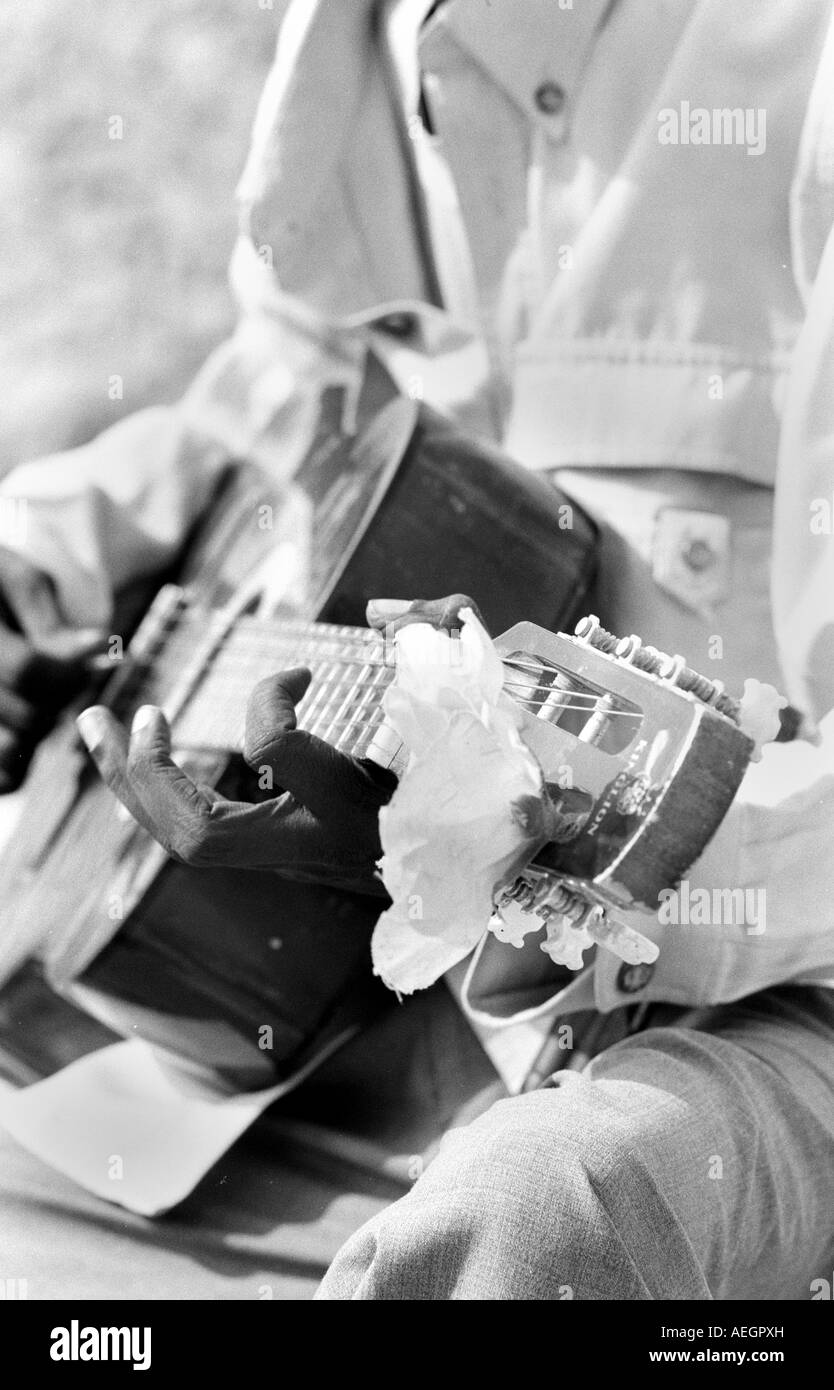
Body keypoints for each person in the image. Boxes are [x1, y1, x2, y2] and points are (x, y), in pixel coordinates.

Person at [1, 0, 834, 1300]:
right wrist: (38, 567)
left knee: (527, 1221)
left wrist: (487, 844)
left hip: (759, 998)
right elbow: (282, 381)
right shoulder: (355, 38)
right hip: (363, 1003)